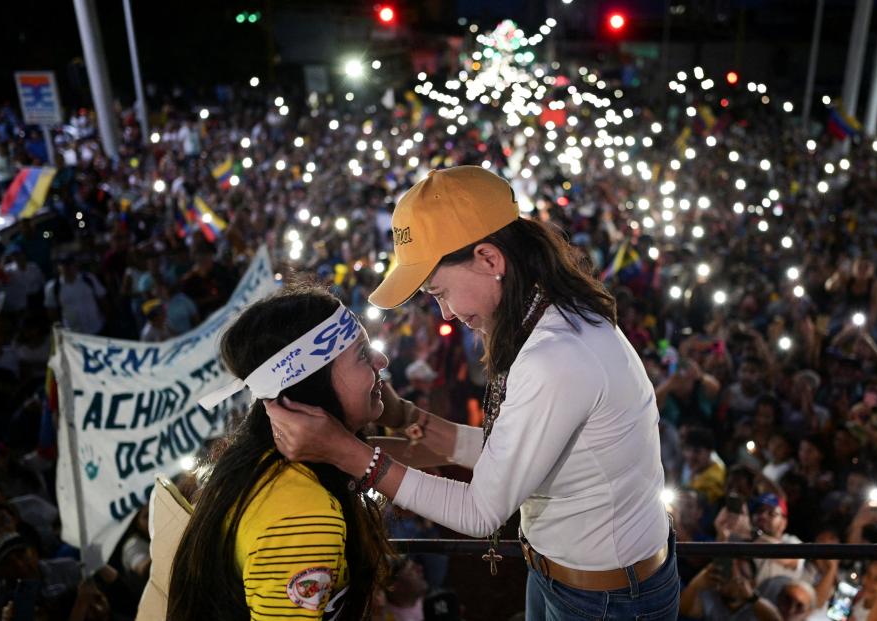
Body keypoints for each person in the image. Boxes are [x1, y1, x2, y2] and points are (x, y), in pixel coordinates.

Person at [267, 166, 679, 619]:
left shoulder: (555, 356)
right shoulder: (544, 318)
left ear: (489, 259)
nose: (446, 312)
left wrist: (347, 453)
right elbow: (507, 454)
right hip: (569, 575)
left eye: (440, 291)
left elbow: (480, 512)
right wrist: (411, 420)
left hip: (606, 599)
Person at [168, 285, 394, 620]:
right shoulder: (303, 517)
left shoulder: (266, 464)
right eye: (362, 354)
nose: (382, 360)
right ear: (312, 385)